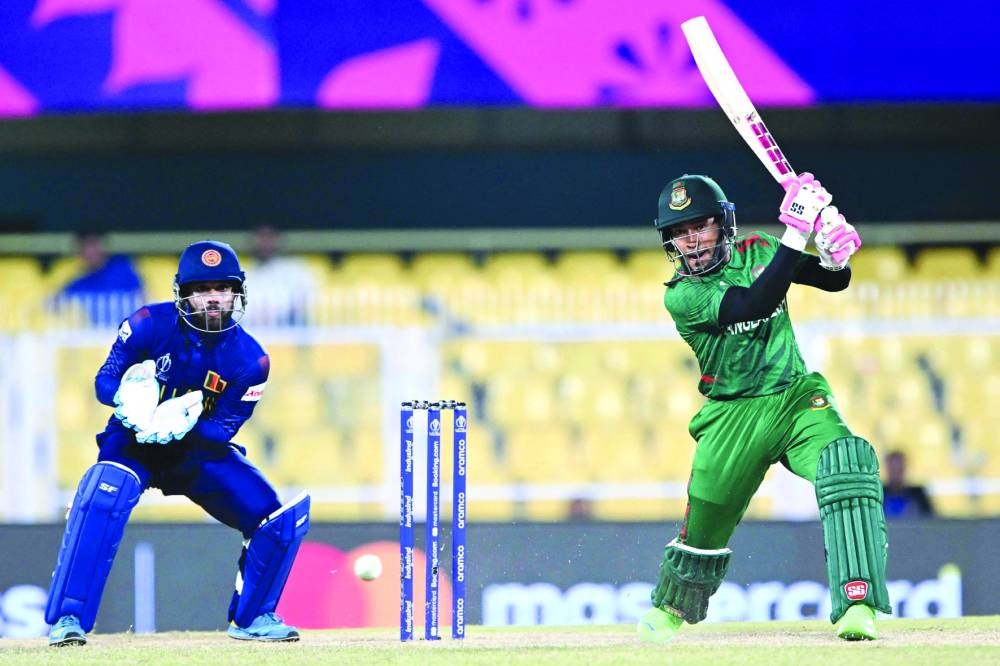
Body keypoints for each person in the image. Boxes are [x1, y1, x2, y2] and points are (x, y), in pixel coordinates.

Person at [636, 174, 889, 643]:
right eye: (679, 233)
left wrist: (834, 253)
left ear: (723, 225)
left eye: (700, 227)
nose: (690, 241)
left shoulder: (759, 250)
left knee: (847, 465)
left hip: (794, 397)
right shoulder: (682, 295)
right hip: (732, 416)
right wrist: (797, 231)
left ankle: (859, 603)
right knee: (703, 530)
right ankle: (671, 608)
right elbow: (754, 302)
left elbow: (834, 282)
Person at [45, 240, 310, 647]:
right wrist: (129, 401)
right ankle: (68, 620)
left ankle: (253, 618)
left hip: (195, 453)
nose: (212, 298)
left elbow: (223, 430)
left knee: (274, 520)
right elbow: (104, 380)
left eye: (222, 288)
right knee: (102, 497)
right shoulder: (149, 322)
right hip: (132, 441)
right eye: (201, 290)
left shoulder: (251, 361)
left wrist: (181, 420)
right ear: (184, 294)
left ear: (236, 292)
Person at [56, 230, 145, 326]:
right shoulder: (79, 284)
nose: (90, 251)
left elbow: (143, 297)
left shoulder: (122, 267)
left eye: (94, 245)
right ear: (79, 252)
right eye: (85, 247)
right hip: (97, 336)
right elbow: (56, 304)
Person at [245, 225, 318, 326]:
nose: (264, 244)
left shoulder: (295, 269)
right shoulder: (244, 274)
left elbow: (307, 300)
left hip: (288, 329)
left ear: (278, 241)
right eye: (261, 238)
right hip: (254, 330)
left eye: (269, 238)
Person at [882, 449, 934, 518]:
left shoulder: (918, 495)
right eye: (893, 469)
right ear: (887, 469)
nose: (896, 473)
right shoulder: (876, 494)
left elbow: (931, 520)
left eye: (899, 469)